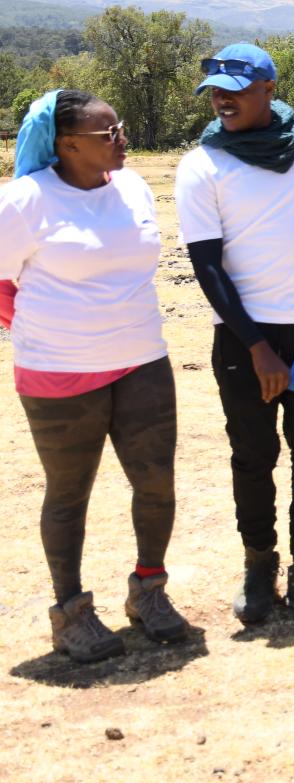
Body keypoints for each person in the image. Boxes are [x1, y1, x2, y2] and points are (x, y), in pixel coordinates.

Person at [0, 90, 188, 662]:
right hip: (60, 370)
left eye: (120, 127)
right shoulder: (24, 201)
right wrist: (42, 331)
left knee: (156, 482)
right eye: (108, 133)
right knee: (68, 493)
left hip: (142, 358)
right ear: (67, 145)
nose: (121, 138)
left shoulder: (132, 187)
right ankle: (70, 613)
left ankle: (149, 589)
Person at [176, 44, 294, 624]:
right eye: (215, 93)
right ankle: (258, 567)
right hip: (244, 339)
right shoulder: (203, 165)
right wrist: (257, 347)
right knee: (252, 456)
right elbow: (207, 267)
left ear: (269, 90)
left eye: (236, 91)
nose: (222, 101)